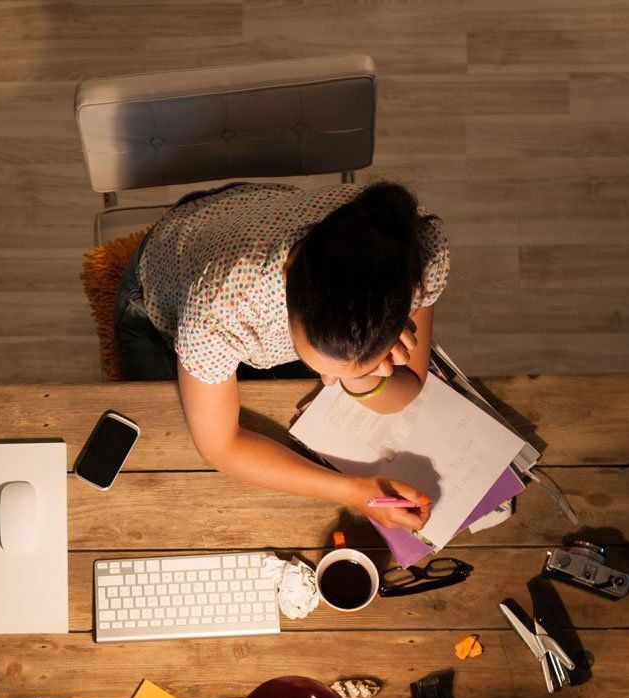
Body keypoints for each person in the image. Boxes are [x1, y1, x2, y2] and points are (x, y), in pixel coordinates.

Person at [112, 180, 447, 533]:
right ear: (287, 279)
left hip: (253, 223)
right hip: (158, 298)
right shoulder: (219, 306)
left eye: (339, 371)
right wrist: (354, 492)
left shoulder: (407, 244)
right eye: (325, 369)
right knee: (169, 446)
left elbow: (409, 385)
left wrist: (358, 376)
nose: (329, 384)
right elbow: (220, 447)